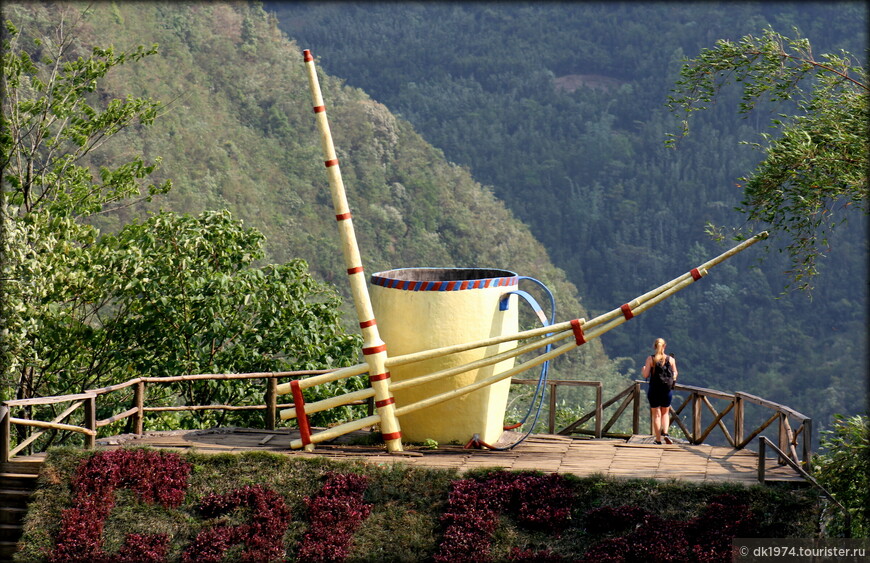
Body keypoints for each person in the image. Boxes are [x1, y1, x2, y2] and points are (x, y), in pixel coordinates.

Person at [641, 337, 678, 444]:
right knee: (665, 413)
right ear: (664, 346)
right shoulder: (671, 360)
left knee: (656, 414)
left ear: (654, 347)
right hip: (667, 390)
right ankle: (665, 433)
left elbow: (646, 374)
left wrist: (643, 369)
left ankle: (658, 439)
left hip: (654, 390)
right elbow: (675, 373)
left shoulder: (650, 359)